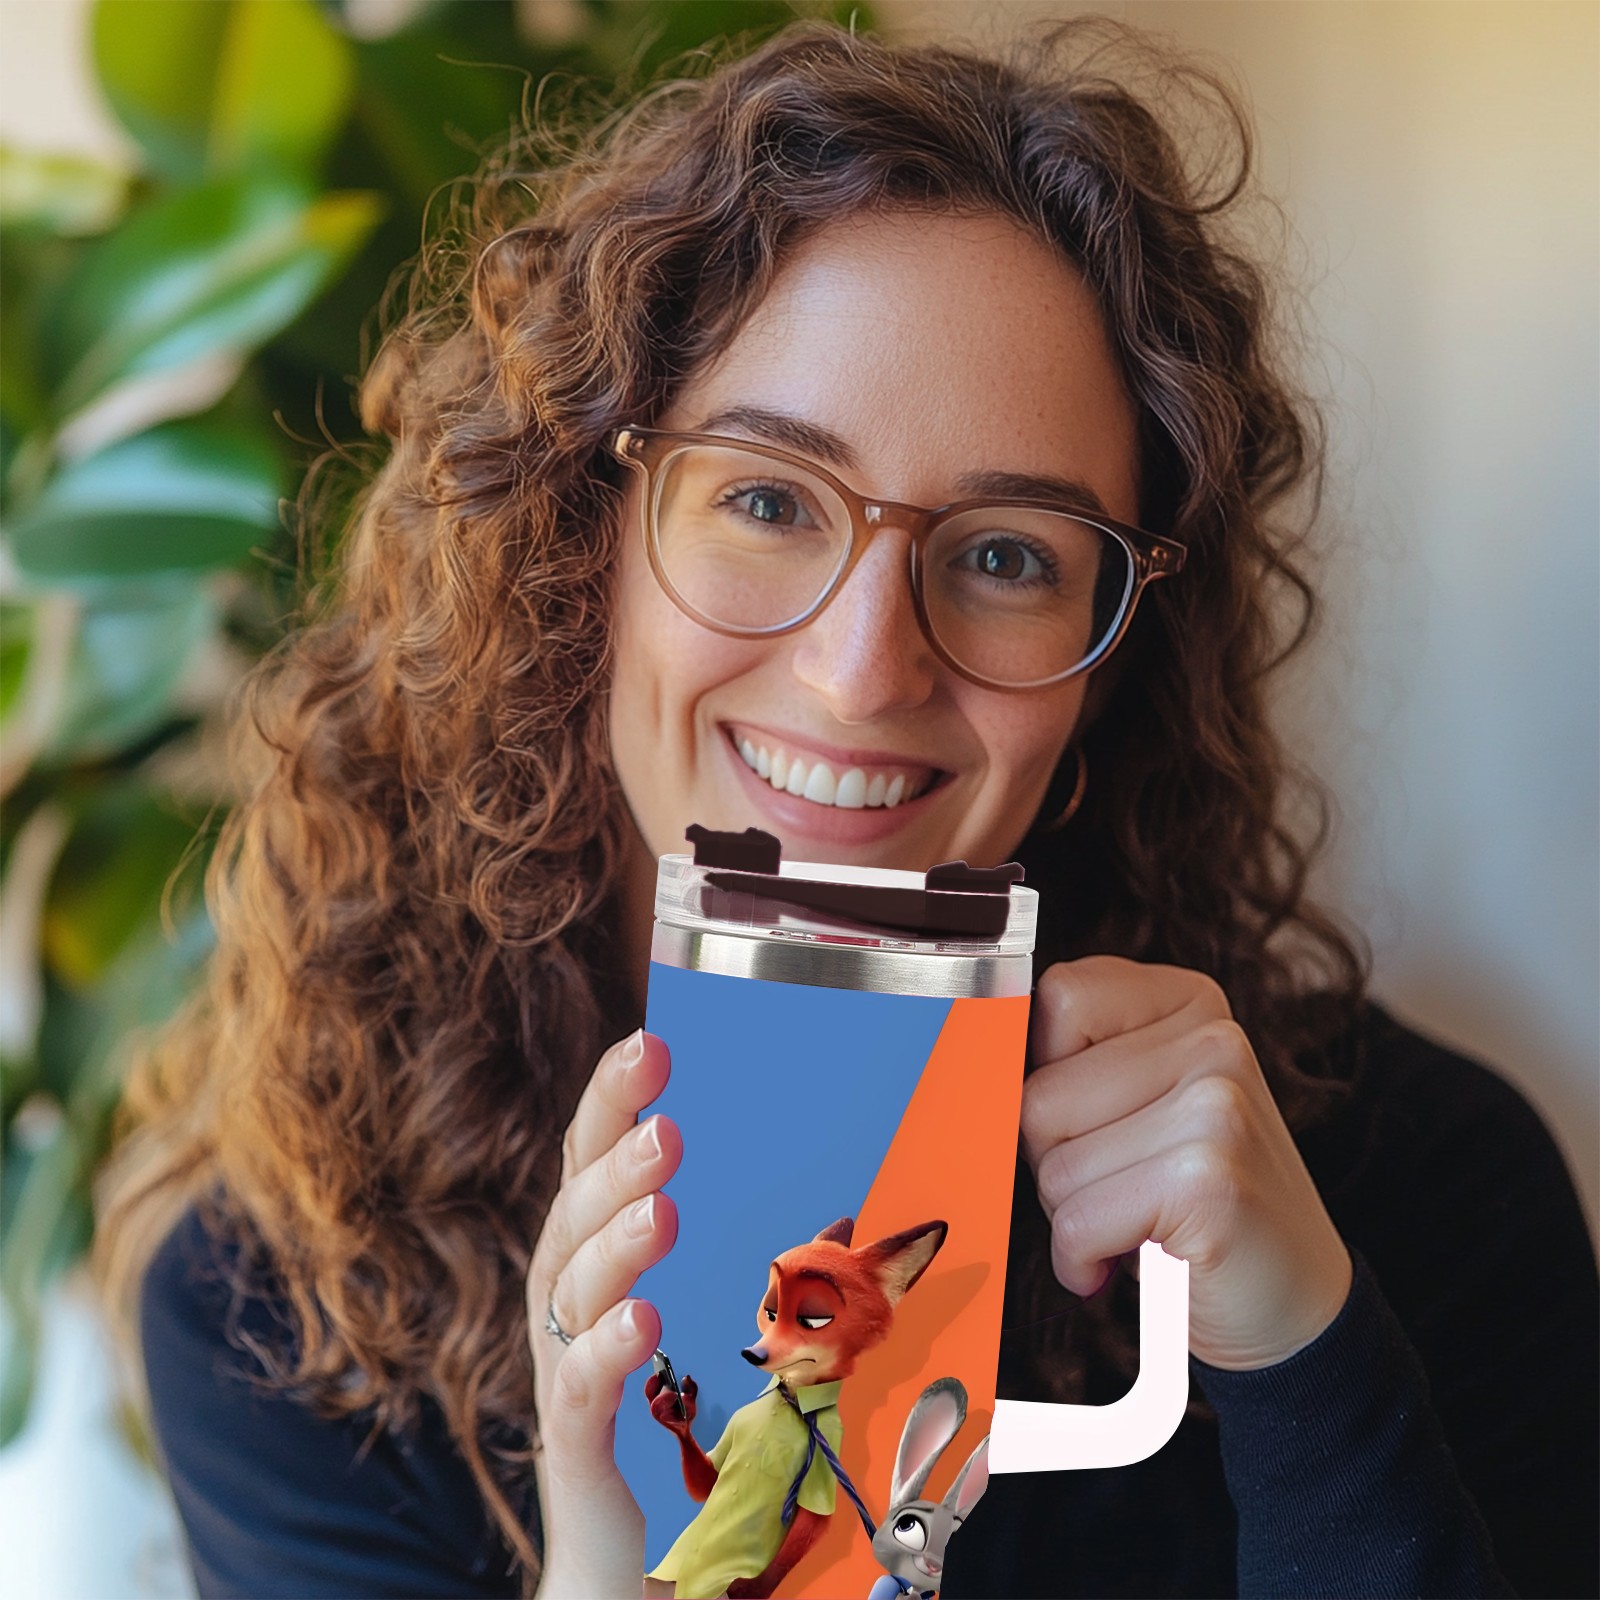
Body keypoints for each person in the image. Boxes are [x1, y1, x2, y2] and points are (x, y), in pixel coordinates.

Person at [95, 18, 1597, 1600]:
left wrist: (1305, 1368)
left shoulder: (1419, 1193)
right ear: (579, 551)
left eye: (1007, 554)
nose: (864, 671)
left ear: (1113, 664)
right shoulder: (291, 1302)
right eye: (765, 499)